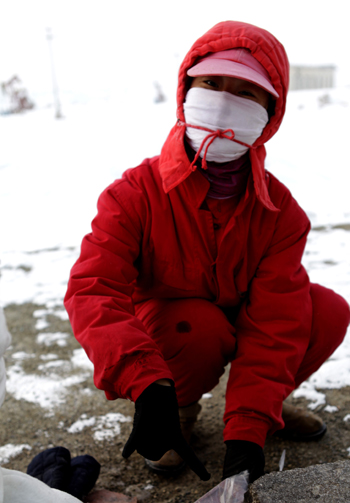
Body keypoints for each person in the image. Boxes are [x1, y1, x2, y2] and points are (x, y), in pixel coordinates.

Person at [64, 20, 350, 483]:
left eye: (245, 91)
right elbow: (93, 289)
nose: (222, 101)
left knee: (326, 311)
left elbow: (277, 320)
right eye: (211, 83)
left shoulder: (281, 212)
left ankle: (262, 409)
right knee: (195, 323)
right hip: (177, 336)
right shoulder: (134, 193)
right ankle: (176, 409)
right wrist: (146, 382)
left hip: (243, 320)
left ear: (270, 112)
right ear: (186, 87)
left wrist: (248, 432)